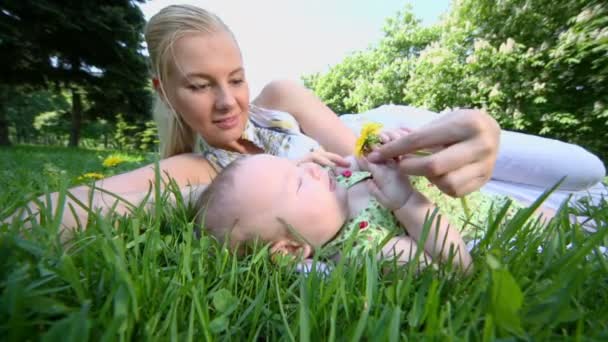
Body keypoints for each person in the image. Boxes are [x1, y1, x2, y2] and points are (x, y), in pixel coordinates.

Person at [5, 4, 503, 232]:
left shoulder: (281, 98)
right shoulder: (196, 169)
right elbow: (35, 219)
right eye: (200, 86)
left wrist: (468, 133)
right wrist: (201, 195)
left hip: (389, 120)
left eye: (236, 79)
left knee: (582, 170)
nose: (227, 102)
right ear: (164, 92)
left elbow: (366, 153)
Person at [196, 152, 472, 271]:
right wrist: (406, 201)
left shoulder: (338, 182)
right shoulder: (364, 248)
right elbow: (456, 267)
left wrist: (375, 152)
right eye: (299, 183)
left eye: (297, 166)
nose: (311, 168)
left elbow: (363, 158)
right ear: (291, 249)